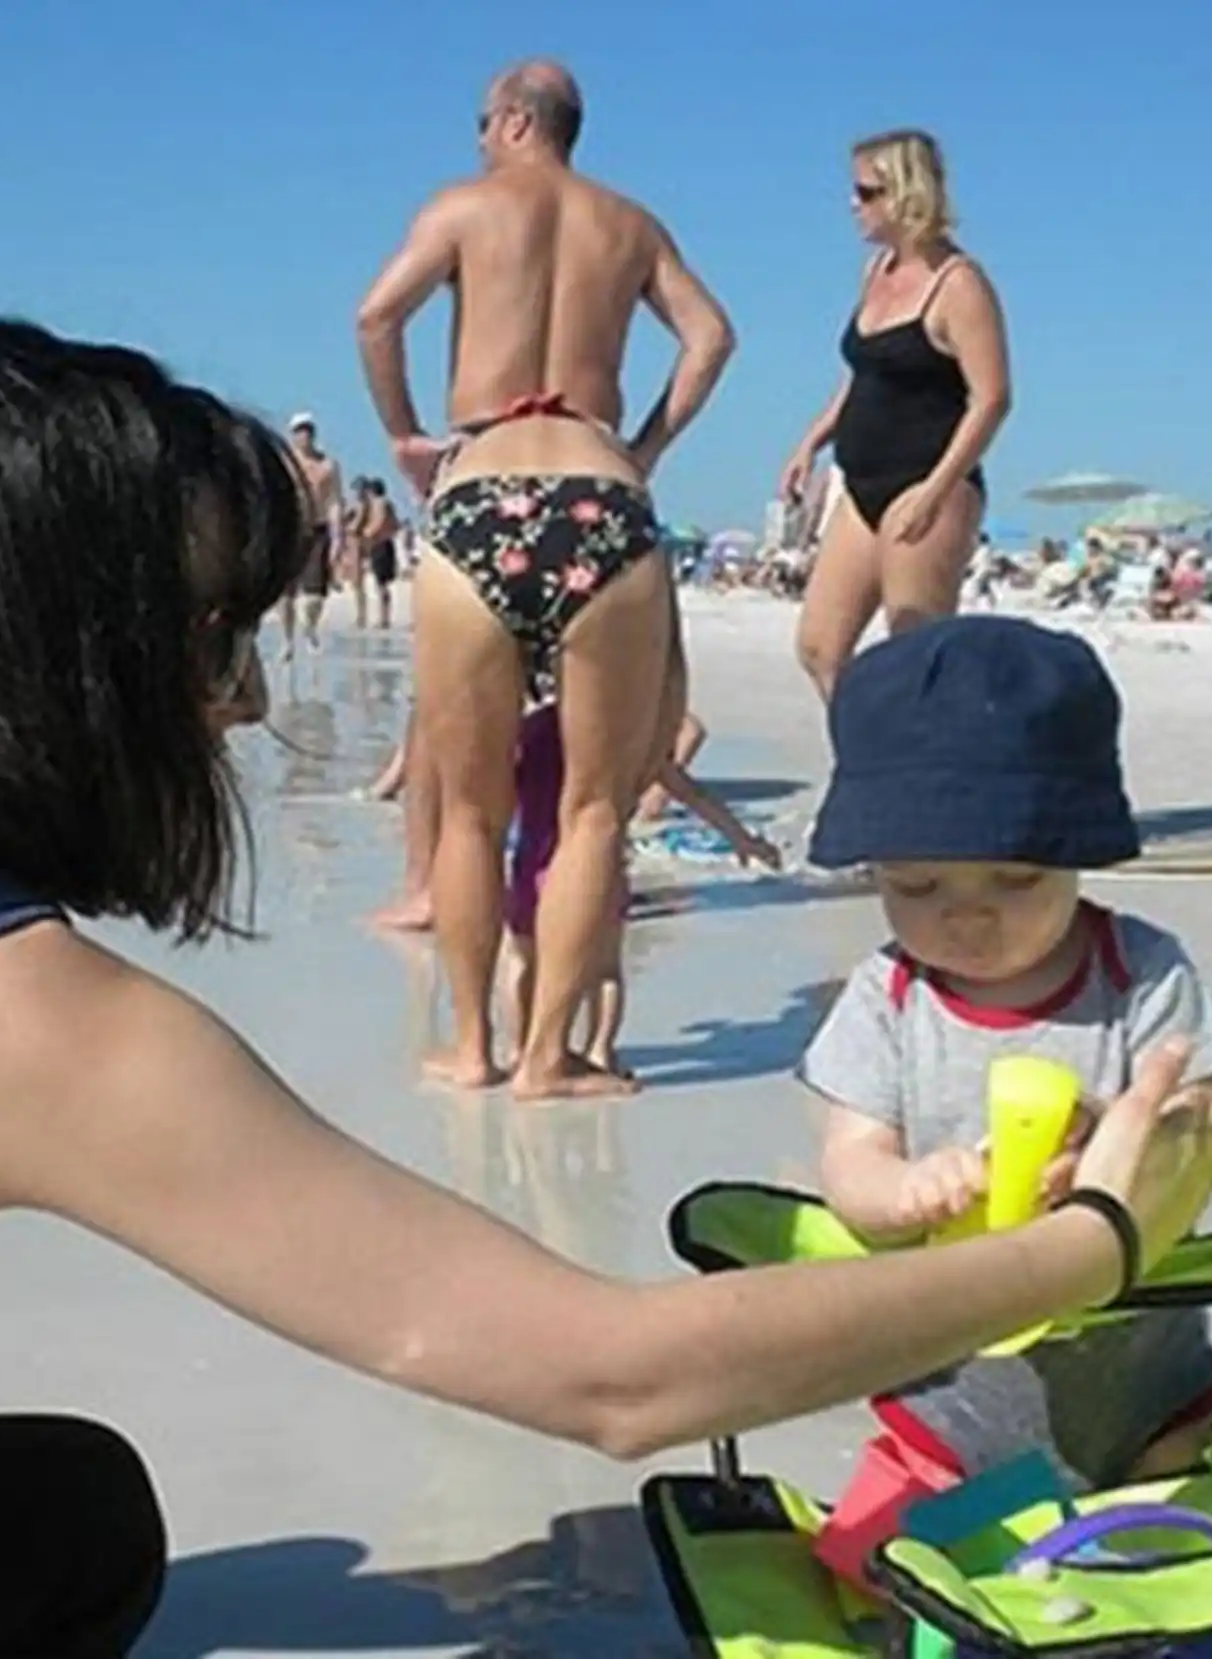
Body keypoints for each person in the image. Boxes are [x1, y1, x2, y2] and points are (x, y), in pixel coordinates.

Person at [0, 319, 1212, 1655]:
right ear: (36, 658)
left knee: (54, 1510)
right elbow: (618, 1373)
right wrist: (1094, 1240)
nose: (243, 699)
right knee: (61, 1535)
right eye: (207, 637)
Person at [355, 59, 737, 1096]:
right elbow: (711, 338)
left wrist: (404, 436)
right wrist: (642, 448)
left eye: (483, 122)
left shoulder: (462, 207)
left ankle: (472, 1046)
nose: (479, 139)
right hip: (602, 494)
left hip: (480, 492)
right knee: (594, 811)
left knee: (470, 811)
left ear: (518, 122)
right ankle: (550, 1057)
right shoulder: (630, 224)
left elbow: (377, 316)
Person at [799, 615, 1212, 1490]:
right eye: (917, 885)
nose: (967, 913)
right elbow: (849, 1162)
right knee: (897, 1530)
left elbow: (1201, 1129)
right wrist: (905, 1188)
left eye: (1016, 878)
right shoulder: (888, 996)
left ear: (1078, 853)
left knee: (1193, 1491)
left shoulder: (1141, 971)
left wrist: (1114, 1133)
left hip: (1149, 1373)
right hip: (949, 1381)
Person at [780, 130, 1011, 699]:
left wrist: (936, 490)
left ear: (906, 192)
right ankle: (865, 750)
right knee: (819, 648)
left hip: (928, 481)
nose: (852, 204)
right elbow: (865, 374)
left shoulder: (959, 285)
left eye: (866, 192)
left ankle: (932, 756)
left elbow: (992, 398)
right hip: (861, 483)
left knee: (915, 655)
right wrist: (811, 441)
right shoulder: (876, 271)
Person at [499, 701, 780, 1080]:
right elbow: (688, 791)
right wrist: (742, 838)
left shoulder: (527, 731)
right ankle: (600, 1052)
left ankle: (520, 1048)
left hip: (532, 861)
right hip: (596, 866)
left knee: (522, 956)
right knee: (604, 967)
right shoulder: (616, 732)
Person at [280, 411, 344, 655]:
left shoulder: (328, 465)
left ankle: (309, 628)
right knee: (285, 593)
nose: (304, 436)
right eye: (299, 431)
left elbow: (334, 502)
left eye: (307, 430)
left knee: (315, 594)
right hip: (291, 527)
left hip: (318, 529)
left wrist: (338, 538)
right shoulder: (285, 462)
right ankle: (287, 640)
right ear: (292, 435)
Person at [357, 476, 402, 629]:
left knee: (381, 584)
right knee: (383, 583)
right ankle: (385, 617)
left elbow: (379, 521)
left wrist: (367, 533)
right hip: (386, 543)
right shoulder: (388, 504)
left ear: (372, 491)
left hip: (379, 544)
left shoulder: (379, 503)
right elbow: (395, 525)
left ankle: (384, 619)